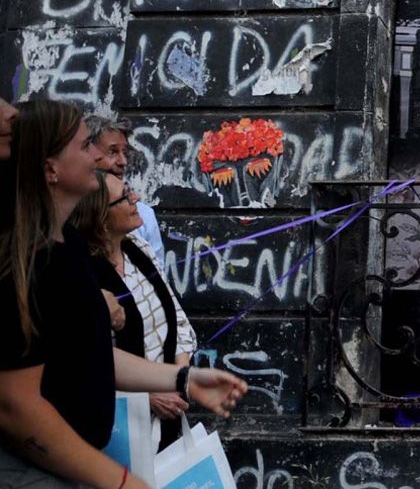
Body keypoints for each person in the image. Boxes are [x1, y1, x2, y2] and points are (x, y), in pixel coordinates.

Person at [0, 100, 247, 489]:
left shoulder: (68, 247)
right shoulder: (28, 259)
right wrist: (120, 482)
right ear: (50, 170)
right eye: (85, 147)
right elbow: (17, 409)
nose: (100, 156)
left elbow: (90, 354)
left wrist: (183, 378)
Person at [70, 170, 197, 451]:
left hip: (168, 413)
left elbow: (176, 317)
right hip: (118, 426)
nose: (136, 198)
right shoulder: (83, 273)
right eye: (125, 197)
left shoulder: (139, 249)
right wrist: (147, 395)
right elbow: (82, 360)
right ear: (100, 219)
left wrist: (178, 377)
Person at [86, 115, 166, 265]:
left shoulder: (142, 215)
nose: (123, 162)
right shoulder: (69, 215)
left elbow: (159, 274)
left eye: (124, 152)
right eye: (112, 152)